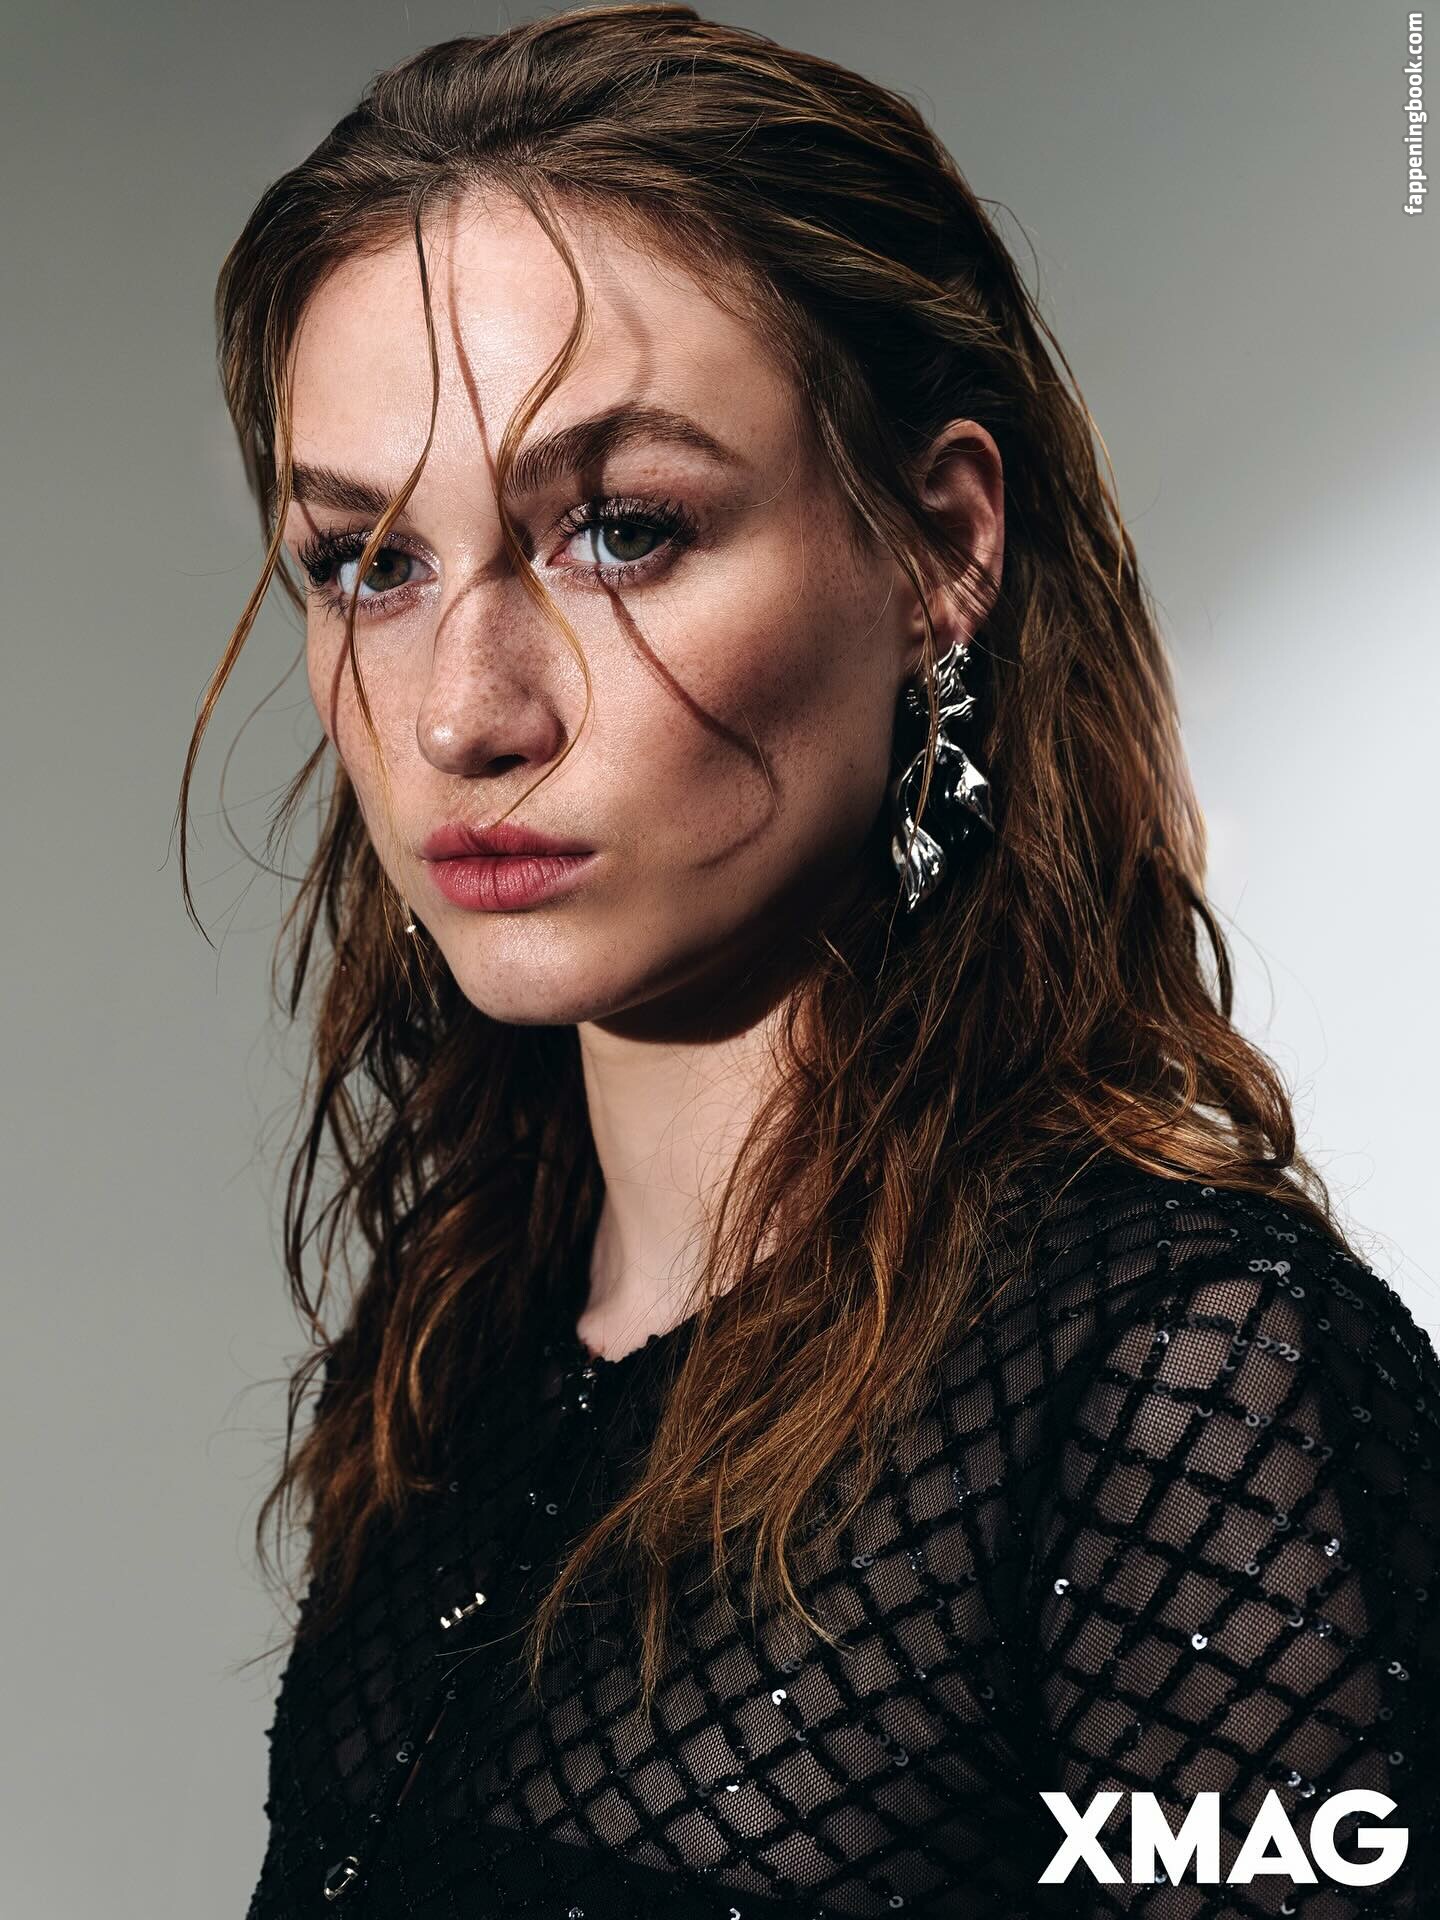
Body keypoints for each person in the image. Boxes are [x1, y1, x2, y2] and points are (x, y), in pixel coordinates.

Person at [180, 7, 1440, 1915]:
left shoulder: (1183, 1382)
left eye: (620, 531)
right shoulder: (460, 1356)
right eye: (368, 561)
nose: (461, 712)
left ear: (940, 547)